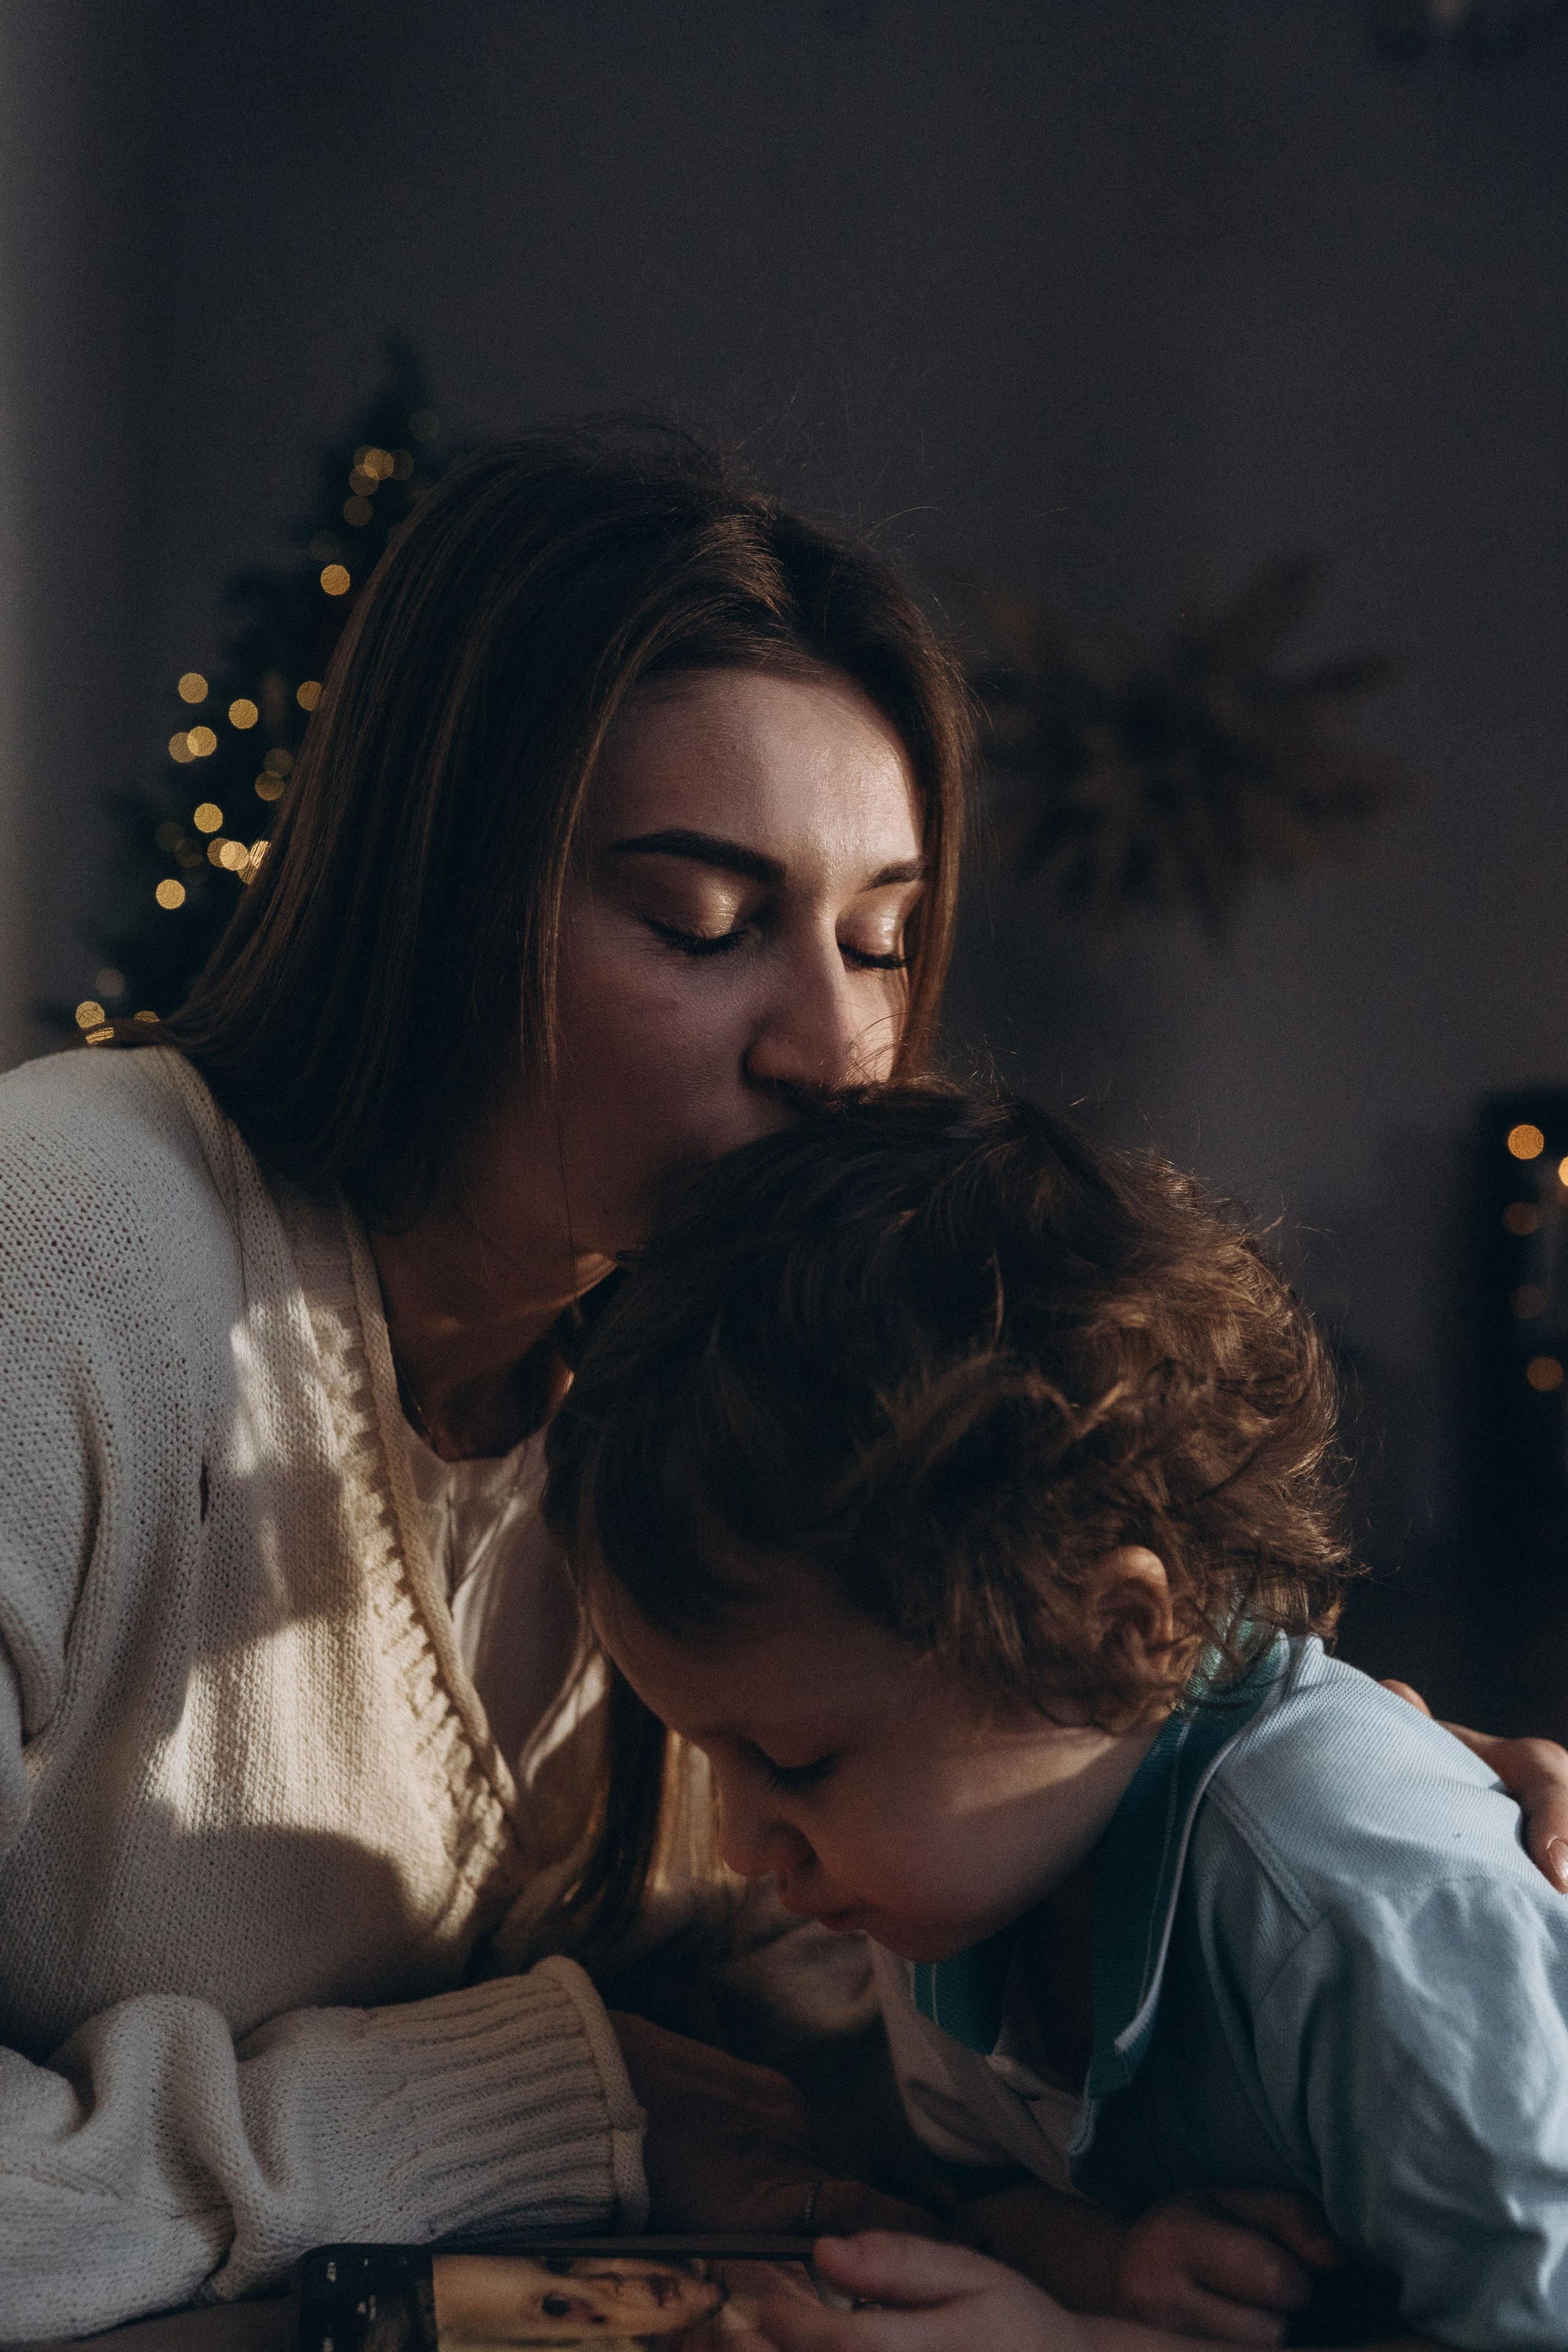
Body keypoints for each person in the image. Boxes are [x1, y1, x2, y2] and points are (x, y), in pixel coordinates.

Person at [0, 426, 1560, 2342]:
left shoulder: (708, 1400)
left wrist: (1351, 1883)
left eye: (881, 941)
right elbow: (648, 2076)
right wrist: (545, 2097)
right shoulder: (58, 1258)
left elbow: (828, 2010)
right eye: (703, 924)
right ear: (446, 891)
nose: (839, 1047)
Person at [545, 1084, 1568, 2352]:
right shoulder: (958, 1881)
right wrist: (1104, 2258)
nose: (741, 1846)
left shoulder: (1357, 1901)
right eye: (707, 1754)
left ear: (1113, 1636)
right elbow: (982, 2191)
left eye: (795, 1761)